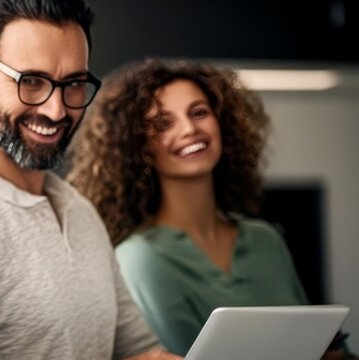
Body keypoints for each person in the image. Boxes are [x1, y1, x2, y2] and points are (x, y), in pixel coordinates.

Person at [0, 0, 177, 358]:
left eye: (73, 83)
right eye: (31, 81)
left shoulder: (80, 209)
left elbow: (137, 351)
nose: (56, 110)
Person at [67, 59, 356, 359]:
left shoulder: (265, 240)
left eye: (199, 112)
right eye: (164, 124)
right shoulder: (140, 257)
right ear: (139, 148)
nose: (190, 129)